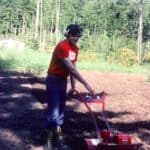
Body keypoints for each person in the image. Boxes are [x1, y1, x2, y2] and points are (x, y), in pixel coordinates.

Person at [46, 24, 94, 149]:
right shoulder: (62, 46)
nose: (75, 37)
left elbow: (73, 67)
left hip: (62, 80)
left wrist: (73, 86)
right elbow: (71, 68)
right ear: (67, 35)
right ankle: (49, 141)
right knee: (54, 112)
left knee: (61, 110)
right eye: (73, 35)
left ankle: (58, 138)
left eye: (77, 35)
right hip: (53, 80)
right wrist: (87, 84)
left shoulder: (75, 49)